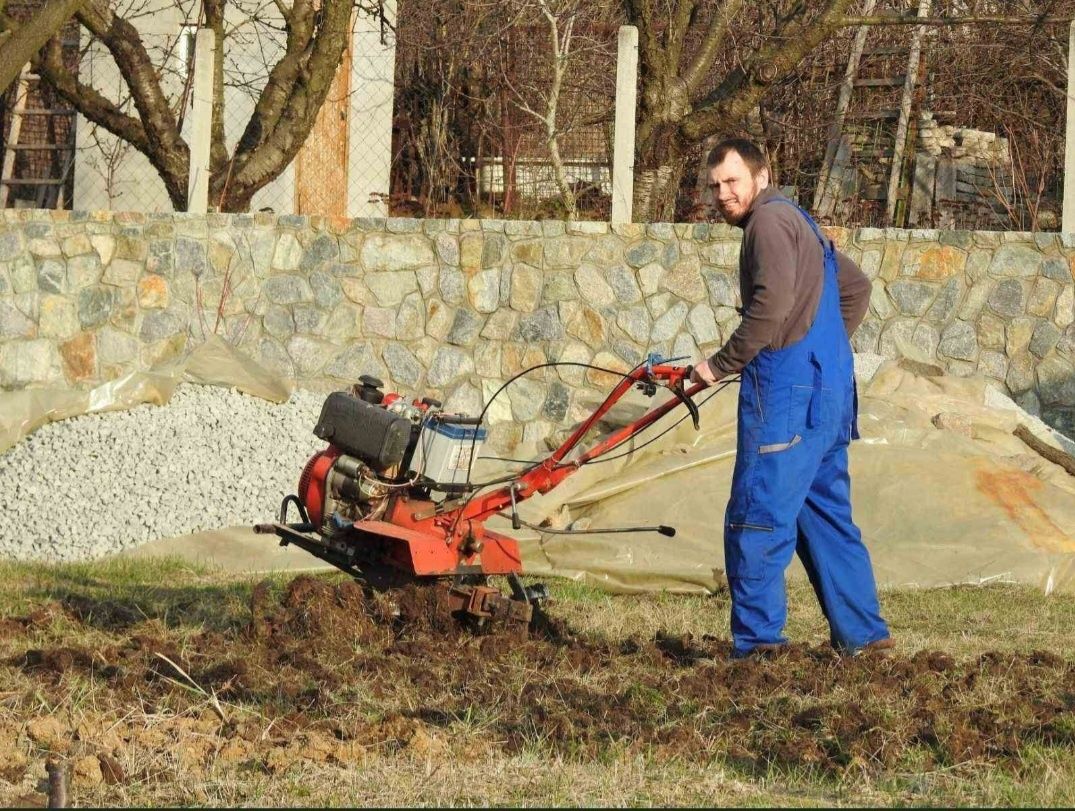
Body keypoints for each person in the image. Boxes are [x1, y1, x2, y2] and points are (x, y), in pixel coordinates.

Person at [690, 137, 892, 658]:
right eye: (716, 186)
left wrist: (719, 365)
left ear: (761, 176)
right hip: (828, 395)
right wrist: (820, 346)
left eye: (732, 181)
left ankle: (759, 651)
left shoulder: (766, 223)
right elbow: (856, 288)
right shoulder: (800, 221)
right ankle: (866, 640)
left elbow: (771, 305)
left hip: (785, 398)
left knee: (756, 518)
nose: (724, 195)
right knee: (825, 519)